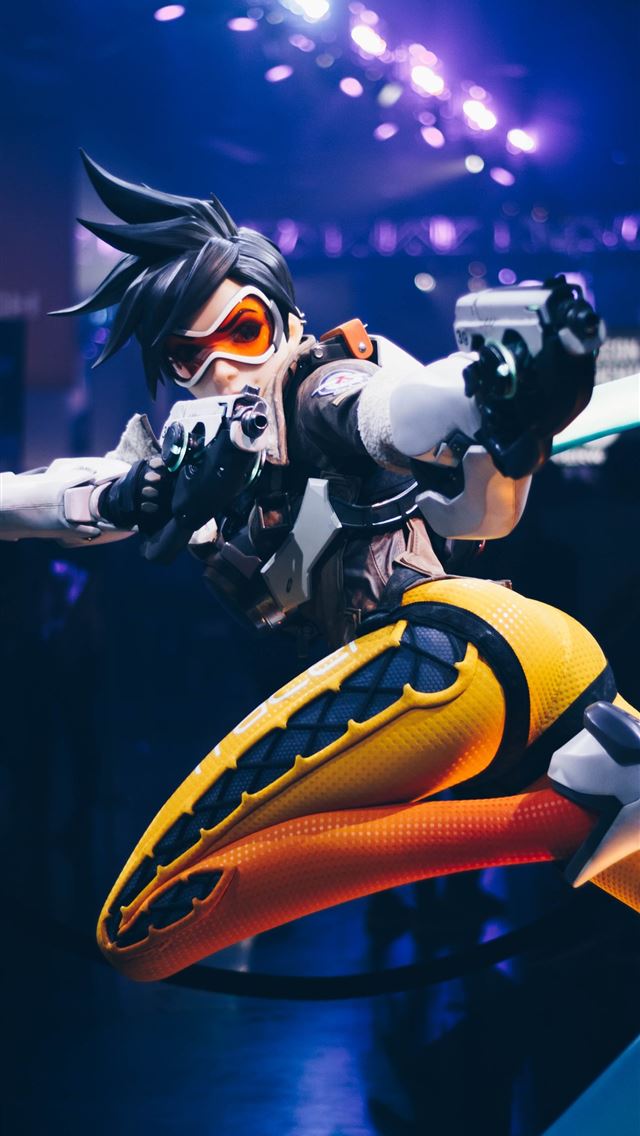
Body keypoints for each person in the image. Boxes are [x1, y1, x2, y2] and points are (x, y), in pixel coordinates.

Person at [2, 153, 638, 982]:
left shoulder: (317, 391)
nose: (223, 367)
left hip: (454, 658)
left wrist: (486, 385)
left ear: (286, 321)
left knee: (148, 921)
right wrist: (128, 493)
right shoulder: (184, 460)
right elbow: (49, 497)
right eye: (190, 354)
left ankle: (565, 818)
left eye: (243, 332)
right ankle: (595, 796)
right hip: (525, 671)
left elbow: (389, 412)